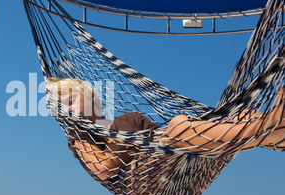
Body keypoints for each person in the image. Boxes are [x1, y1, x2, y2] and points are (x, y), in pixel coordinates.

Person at [46, 77, 285, 181]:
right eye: (60, 108)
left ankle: (276, 133)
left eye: (69, 100)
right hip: (153, 180)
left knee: (244, 115)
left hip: (191, 157)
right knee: (179, 126)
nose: (67, 110)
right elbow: (104, 169)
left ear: (89, 96)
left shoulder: (129, 119)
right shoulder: (79, 137)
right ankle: (273, 124)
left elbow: (113, 159)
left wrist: (128, 148)